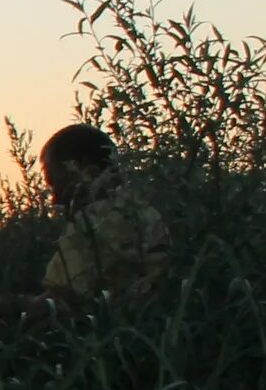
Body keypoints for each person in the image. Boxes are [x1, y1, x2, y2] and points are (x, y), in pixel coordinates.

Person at [38, 123, 171, 305]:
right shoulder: (147, 211)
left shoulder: (90, 224)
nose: (56, 199)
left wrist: (17, 305)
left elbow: (64, 299)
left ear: (83, 169)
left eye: (57, 182)